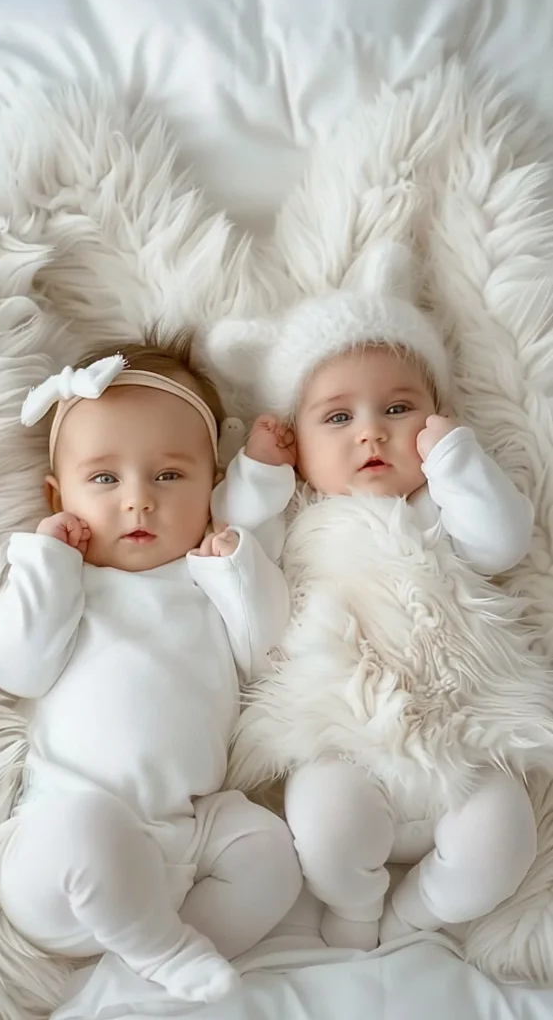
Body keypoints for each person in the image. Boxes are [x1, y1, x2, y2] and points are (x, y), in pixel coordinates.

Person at [209, 240, 553, 952]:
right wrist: (259, 473)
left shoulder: (439, 505)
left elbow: (502, 541)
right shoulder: (300, 515)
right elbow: (237, 545)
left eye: (398, 407)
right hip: (346, 741)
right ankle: (357, 905)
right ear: (296, 446)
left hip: (465, 742)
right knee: (323, 820)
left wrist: (457, 458)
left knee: (503, 840)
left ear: (435, 416)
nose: (370, 429)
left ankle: (416, 914)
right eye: (336, 418)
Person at [0, 337, 302, 1003]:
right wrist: (48, 564)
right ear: (57, 494)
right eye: (104, 478)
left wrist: (233, 565)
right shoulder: (72, 585)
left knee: (271, 854)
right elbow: (17, 669)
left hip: (186, 837)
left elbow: (265, 651)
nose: (138, 501)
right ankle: (165, 951)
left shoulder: (204, 578)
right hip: (62, 839)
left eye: (168, 476)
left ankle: (141, 973)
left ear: (212, 488)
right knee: (87, 831)